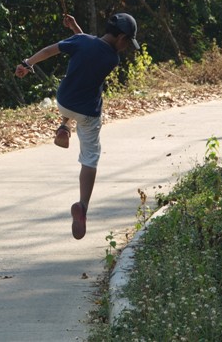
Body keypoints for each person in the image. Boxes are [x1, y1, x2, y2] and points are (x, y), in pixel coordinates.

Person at [15, 13, 140, 240]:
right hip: (87, 114)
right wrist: (75, 27)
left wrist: (27, 64)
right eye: (127, 42)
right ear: (121, 37)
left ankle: (64, 125)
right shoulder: (112, 59)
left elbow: (54, 50)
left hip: (63, 102)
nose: (126, 47)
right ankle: (83, 206)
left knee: (73, 93)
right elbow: (92, 46)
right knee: (90, 159)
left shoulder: (81, 41)